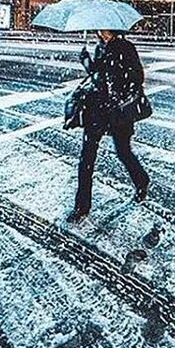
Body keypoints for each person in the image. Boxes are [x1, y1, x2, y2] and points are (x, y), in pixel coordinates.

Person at [68, 30, 150, 223]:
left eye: (104, 30)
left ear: (114, 31)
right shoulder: (100, 48)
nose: (101, 34)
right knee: (86, 158)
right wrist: (87, 61)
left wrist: (116, 82)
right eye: (99, 31)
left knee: (123, 152)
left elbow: (137, 78)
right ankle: (81, 207)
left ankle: (141, 180)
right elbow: (96, 75)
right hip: (97, 109)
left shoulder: (126, 48)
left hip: (118, 111)